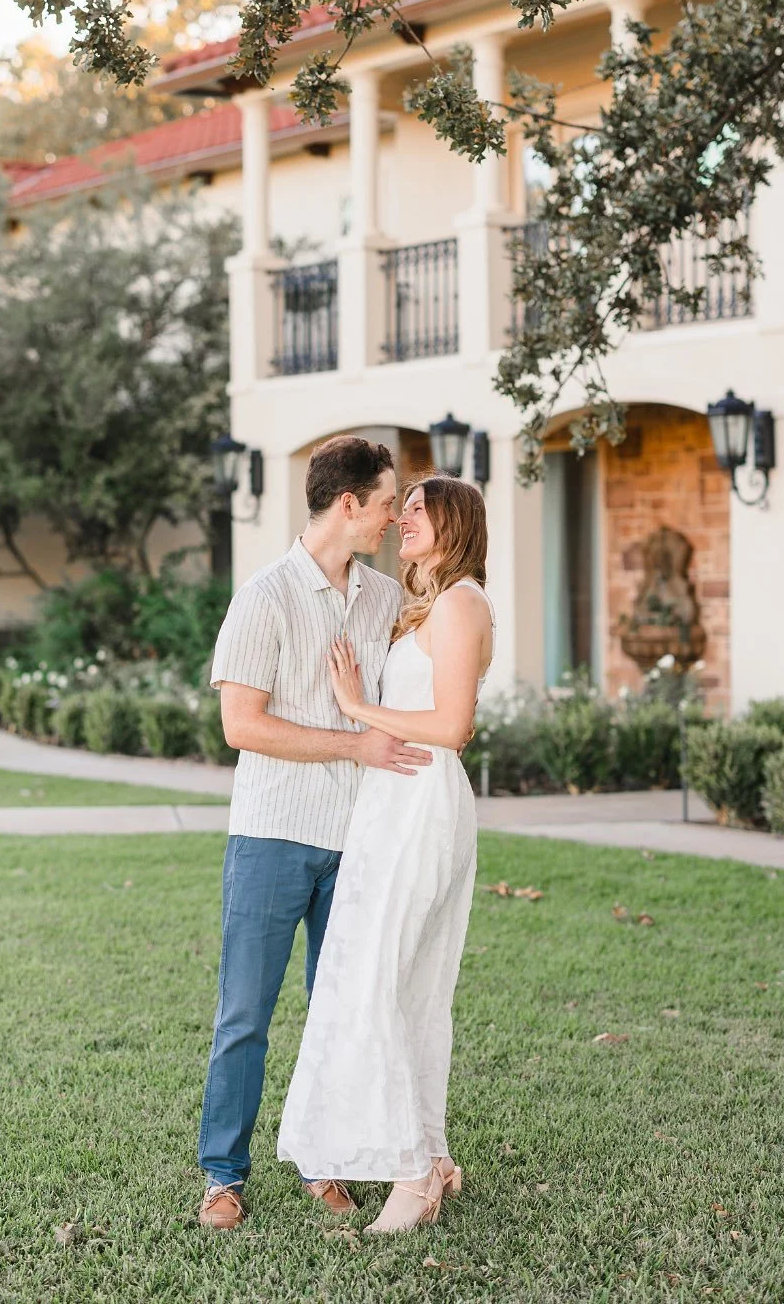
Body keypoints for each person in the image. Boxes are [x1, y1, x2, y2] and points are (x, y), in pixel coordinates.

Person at [197, 435, 435, 1231]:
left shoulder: (381, 597)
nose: (393, 520)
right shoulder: (263, 596)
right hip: (272, 835)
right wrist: (354, 743)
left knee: (340, 1011)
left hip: (359, 840)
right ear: (348, 505)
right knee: (245, 1016)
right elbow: (241, 725)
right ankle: (224, 1175)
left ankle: (324, 1162)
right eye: (385, 504)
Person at [277, 474, 494, 1234]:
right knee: (383, 985)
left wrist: (357, 708)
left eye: (415, 511)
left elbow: (454, 726)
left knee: (388, 985)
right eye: (396, 509)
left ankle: (413, 1172)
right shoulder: (424, 605)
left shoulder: (463, 602)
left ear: (453, 523)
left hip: (424, 801)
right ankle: (427, 1155)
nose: (400, 520)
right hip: (388, 805)